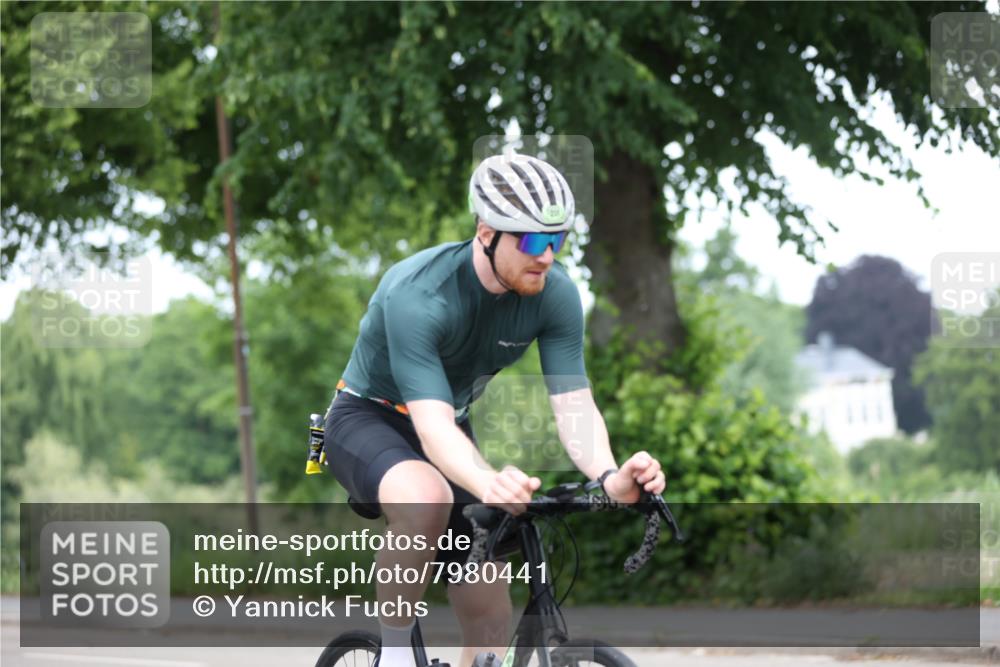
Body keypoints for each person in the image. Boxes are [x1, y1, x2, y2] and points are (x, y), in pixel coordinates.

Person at [324, 152, 667, 667]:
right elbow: (433, 429)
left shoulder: (555, 295)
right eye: (531, 240)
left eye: (557, 240)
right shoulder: (419, 295)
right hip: (366, 417)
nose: (547, 256)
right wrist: (486, 482)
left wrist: (610, 475)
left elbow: (574, 405)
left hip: (449, 426)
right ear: (486, 231)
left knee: (489, 617)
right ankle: (394, 654)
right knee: (427, 496)